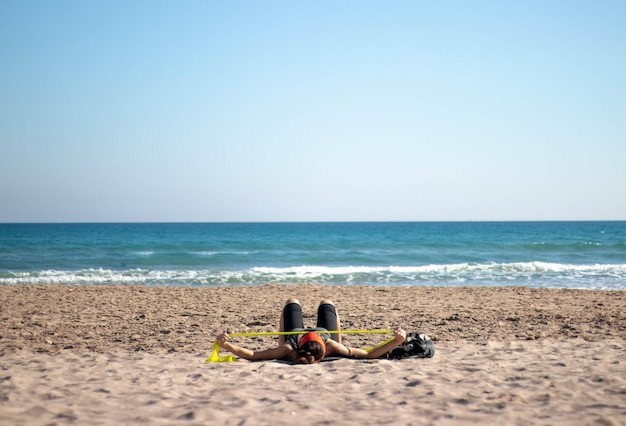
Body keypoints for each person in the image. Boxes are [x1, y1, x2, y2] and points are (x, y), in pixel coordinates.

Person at [215, 298, 407, 364]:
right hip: (305, 335)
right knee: (327, 304)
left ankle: (288, 317)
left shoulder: (288, 350)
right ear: (324, 350)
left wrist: (227, 345)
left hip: (293, 336)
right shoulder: (331, 345)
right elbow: (368, 354)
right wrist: (396, 341)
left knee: (291, 303)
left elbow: (254, 355)